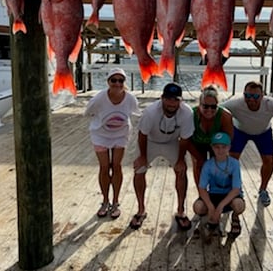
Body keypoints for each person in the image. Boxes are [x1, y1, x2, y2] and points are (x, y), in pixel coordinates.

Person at [130, 82, 195, 230]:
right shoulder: (150, 111)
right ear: (162, 99)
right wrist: (143, 157)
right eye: (169, 99)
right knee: (139, 170)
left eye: (176, 100)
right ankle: (141, 210)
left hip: (172, 142)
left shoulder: (187, 113)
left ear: (181, 101)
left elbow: (185, 140)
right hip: (150, 141)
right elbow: (142, 134)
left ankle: (180, 211)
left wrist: (180, 160)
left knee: (181, 171)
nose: (172, 103)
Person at [84, 68, 139, 219]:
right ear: (108, 82)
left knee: (116, 165)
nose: (117, 83)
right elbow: (87, 112)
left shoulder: (130, 99)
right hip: (100, 134)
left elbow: (136, 112)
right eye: (113, 80)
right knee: (104, 166)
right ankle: (105, 200)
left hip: (120, 134)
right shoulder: (99, 98)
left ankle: (115, 201)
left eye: (120, 80)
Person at [193, 132, 245, 236]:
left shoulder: (234, 163)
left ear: (229, 147)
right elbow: (202, 188)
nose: (220, 150)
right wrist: (210, 206)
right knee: (198, 207)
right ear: (212, 147)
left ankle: (235, 217)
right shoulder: (208, 165)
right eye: (217, 147)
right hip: (214, 194)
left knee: (239, 205)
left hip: (229, 195)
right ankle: (211, 216)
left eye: (224, 147)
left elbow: (236, 189)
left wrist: (221, 206)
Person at [186, 85, 234, 189]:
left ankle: (215, 191)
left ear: (218, 106)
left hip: (217, 143)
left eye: (213, 107)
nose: (209, 110)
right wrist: (198, 158)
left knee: (219, 165)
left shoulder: (225, 116)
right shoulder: (191, 115)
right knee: (198, 164)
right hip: (197, 143)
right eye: (205, 106)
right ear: (199, 105)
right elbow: (186, 140)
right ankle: (202, 193)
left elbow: (228, 139)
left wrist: (219, 156)